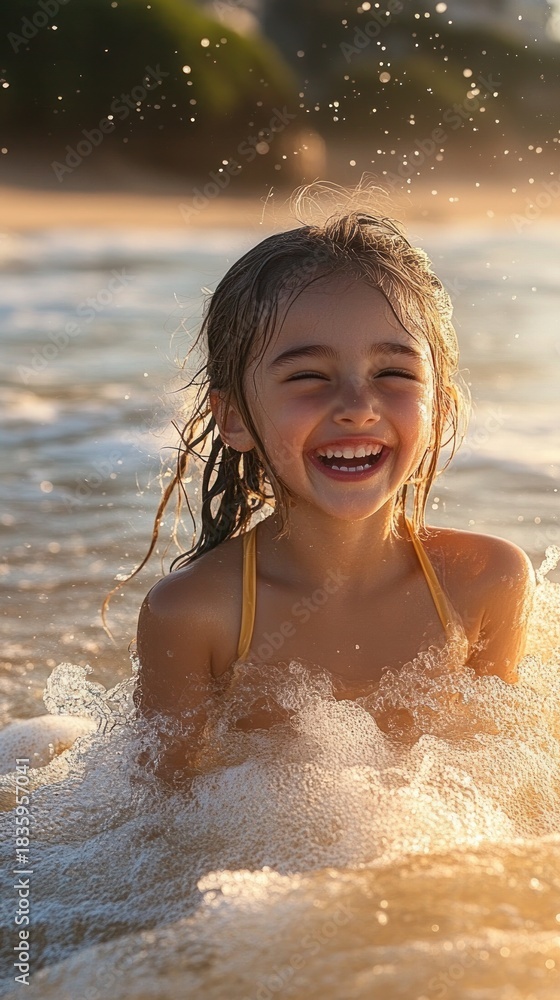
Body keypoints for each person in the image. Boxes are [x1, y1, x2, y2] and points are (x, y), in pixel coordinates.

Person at [128, 208, 535, 787]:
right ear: (236, 416)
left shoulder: (485, 581)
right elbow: (154, 829)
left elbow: (510, 788)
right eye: (307, 376)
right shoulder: (197, 614)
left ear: (439, 407)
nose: (357, 405)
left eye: (394, 372)